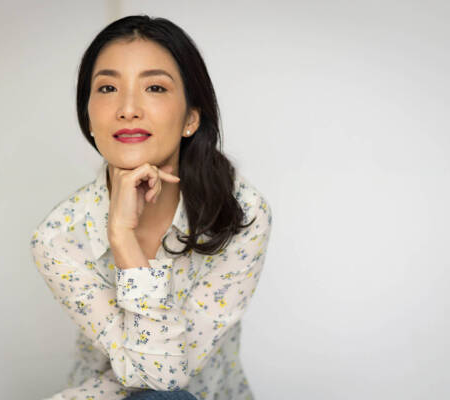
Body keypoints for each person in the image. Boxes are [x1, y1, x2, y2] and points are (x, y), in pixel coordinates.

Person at [29, 14, 273, 400]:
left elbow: (165, 375)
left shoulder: (242, 214)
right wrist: (118, 232)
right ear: (88, 117)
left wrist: (125, 242)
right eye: (107, 88)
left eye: (155, 87)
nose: (127, 108)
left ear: (191, 118)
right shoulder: (60, 238)